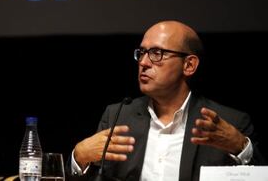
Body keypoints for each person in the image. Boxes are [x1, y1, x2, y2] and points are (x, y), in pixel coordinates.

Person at [68, 20, 266, 181]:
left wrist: (242, 148)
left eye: (156, 53)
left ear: (189, 65)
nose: (144, 63)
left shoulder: (227, 123)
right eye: (142, 53)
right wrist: (79, 157)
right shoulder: (118, 116)